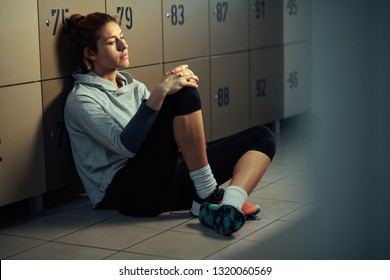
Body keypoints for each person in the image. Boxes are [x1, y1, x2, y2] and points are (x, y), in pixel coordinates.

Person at [64, 12, 276, 235]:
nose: (123, 45)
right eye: (111, 42)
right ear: (90, 53)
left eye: (122, 36)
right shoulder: (81, 99)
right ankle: (207, 193)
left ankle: (228, 206)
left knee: (262, 137)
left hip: (159, 180)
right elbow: (125, 146)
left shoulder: (134, 87)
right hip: (127, 195)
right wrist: (160, 92)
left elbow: (161, 139)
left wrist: (162, 95)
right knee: (182, 94)